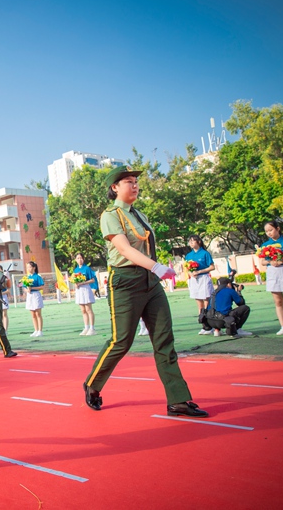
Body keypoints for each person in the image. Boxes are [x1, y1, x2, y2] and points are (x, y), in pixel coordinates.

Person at [83, 166, 208, 418]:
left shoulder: (139, 214)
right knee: (122, 341)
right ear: (115, 187)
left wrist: (155, 270)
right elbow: (126, 250)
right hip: (125, 281)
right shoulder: (111, 214)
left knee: (164, 339)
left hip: (150, 280)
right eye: (128, 181)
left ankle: (178, 400)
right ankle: (93, 384)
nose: (135, 185)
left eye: (136, 181)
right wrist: (158, 267)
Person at [184, 235, 216, 335]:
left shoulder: (205, 253)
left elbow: (212, 267)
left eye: (193, 241)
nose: (191, 243)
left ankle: (210, 325)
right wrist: (191, 273)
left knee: (207, 301)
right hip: (194, 280)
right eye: (190, 241)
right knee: (199, 303)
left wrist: (200, 271)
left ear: (199, 242)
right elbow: (186, 268)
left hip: (204, 278)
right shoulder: (189, 255)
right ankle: (204, 325)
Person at [73, 253, 98, 336]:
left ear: (83, 259)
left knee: (88, 309)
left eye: (81, 258)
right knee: (83, 310)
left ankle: (92, 328)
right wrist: (76, 284)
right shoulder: (75, 270)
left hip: (86, 289)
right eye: (78, 258)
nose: (79, 260)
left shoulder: (87, 268)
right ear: (75, 260)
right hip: (79, 290)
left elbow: (92, 280)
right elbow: (74, 279)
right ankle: (86, 327)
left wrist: (83, 282)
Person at [22, 261, 45, 337]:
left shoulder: (37, 276)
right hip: (30, 296)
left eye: (30, 267)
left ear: (34, 267)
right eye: (27, 267)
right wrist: (27, 290)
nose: (28, 269)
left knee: (38, 313)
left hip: (36, 295)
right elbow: (24, 287)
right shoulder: (27, 277)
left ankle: (40, 331)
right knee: (33, 314)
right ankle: (35, 330)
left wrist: (32, 288)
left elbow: (42, 287)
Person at [0, 265, 11, 331]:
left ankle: (5, 330)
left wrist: (0, 293)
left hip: (3, 297)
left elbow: (8, 290)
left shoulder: (5, 279)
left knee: (4, 314)